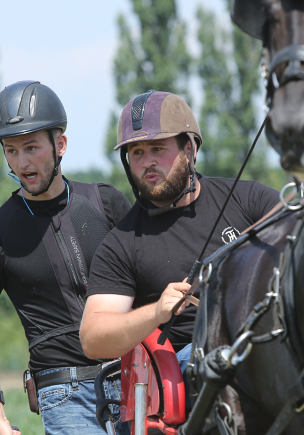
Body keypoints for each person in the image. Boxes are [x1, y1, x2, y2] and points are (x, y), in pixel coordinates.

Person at [0, 80, 159, 435]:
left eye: (31, 147)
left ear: (60, 143)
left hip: (135, 380)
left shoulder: (107, 202)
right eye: (11, 151)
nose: (22, 162)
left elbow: (147, 289)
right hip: (62, 392)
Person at [79, 90, 279, 380]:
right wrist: (157, 312)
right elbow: (93, 338)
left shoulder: (249, 200)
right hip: (194, 371)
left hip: (271, 338)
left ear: (189, 149)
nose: (147, 162)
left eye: (158, 149)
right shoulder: (122, 243)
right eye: (137, 153)